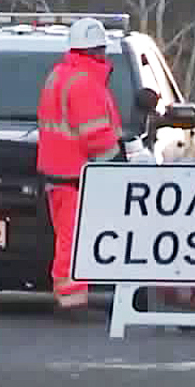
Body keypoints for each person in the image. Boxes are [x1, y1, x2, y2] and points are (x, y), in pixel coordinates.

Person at [36, 17, 123, 315]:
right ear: (97, 51)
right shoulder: (85, 83)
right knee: (73, 239)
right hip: (76, 174)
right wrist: (117, 158)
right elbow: (95, 134)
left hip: (59, 172)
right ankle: (71, 301)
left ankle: (71, 297)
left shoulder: (59, 75)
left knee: (68, 237)